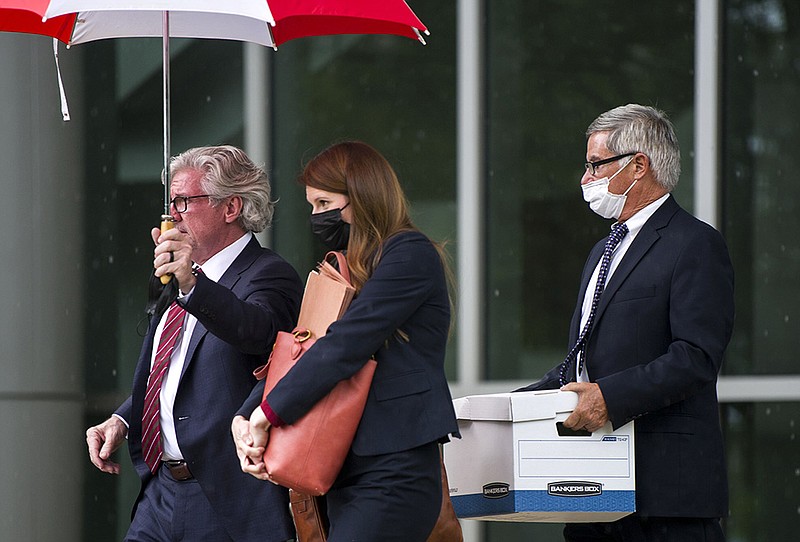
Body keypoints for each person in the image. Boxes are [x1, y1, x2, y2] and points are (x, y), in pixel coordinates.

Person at [517, 104, 734, 542]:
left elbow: (695, 358)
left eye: (595, 164)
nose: (585, 179)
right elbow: (579, 366)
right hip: (591, 496)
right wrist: (503, 410)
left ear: (638, 166)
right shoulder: (601, 253)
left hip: (664, 500)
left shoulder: (695, 244)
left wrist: (608, 398)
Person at [231, 141, 460, 542]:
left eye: (324, 203)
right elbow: (304, 348)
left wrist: (267, 414)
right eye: (312, 206)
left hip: (394, 470)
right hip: (344, 474)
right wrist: (245, 416)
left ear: (362, 195)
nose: (317, 217)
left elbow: (343, 346)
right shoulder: (346, 268)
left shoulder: (410, 253)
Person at [85, 145, 304, 542]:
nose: (172, 215)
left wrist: (191, 284)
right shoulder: (180, 274)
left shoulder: (269, 274)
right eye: (171, 202)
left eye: (185, 201)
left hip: (224, 495)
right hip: (160, 491)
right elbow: (169, 373)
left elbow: (256, 333)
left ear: (231, 207)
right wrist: (121, 419)